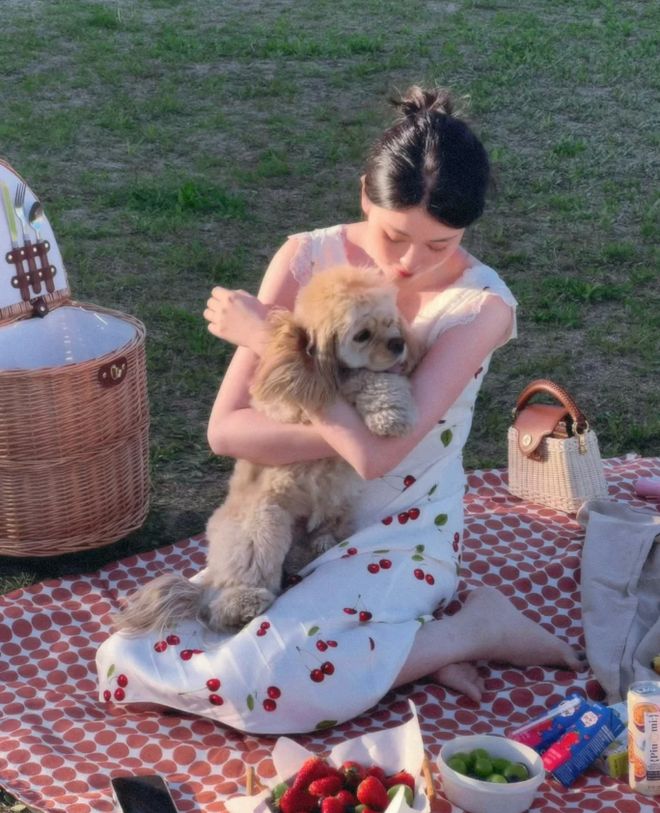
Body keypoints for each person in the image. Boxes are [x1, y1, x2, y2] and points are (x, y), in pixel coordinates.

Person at [96, 86, 583, 734]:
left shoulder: (480, 307)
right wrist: (336, 420)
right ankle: (400, 648)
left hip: (401, 531)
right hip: (292, 517)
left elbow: (378, 456)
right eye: (394, 235)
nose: (407, 263)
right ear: (364, 196)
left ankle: (472, 629)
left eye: (438, 244)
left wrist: (275, 344)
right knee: (127, 654)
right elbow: (227, 430)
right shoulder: (306, 257)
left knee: (261, 682)